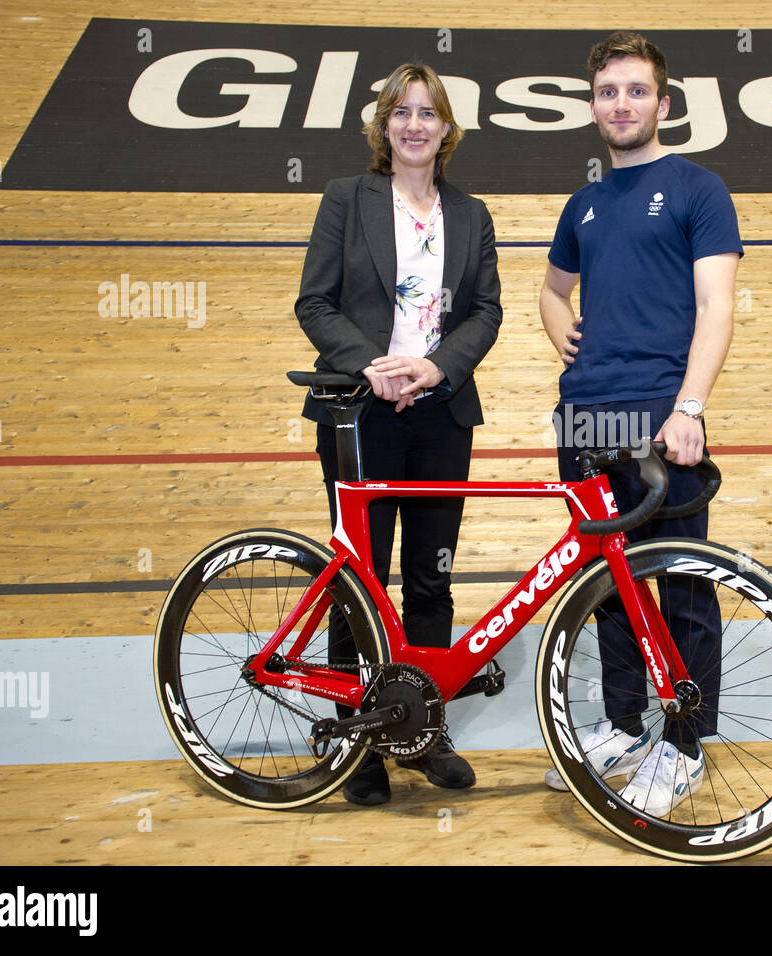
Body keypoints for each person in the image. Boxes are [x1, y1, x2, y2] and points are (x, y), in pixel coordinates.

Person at [538, 32, 742, 814]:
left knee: (683, 582)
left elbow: (717, 306)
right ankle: (624, 725)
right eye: (606, 93)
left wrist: (691, 406)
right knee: (609, 586)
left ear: (662, 101)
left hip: (662, 416)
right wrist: (560, 327)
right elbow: (552, 289)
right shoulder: (584, 202)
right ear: (593, 106)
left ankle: (683, 743)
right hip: (584, 419)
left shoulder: (698, 188)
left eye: (634, 90)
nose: (619, 104)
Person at [296, 62, 502, 806]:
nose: (415, 124)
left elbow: (485, 312)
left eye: (429, 113)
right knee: (359, 582)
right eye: (402, 112)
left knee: (431, 578)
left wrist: (435, 368)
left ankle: (420, 730)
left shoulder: (472, 214)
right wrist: (374, 366)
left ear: (448, 130)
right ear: (384, 126)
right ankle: (359, 739)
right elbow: (315, 303)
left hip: (440, 412)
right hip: (362, 414)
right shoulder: (346, 200)